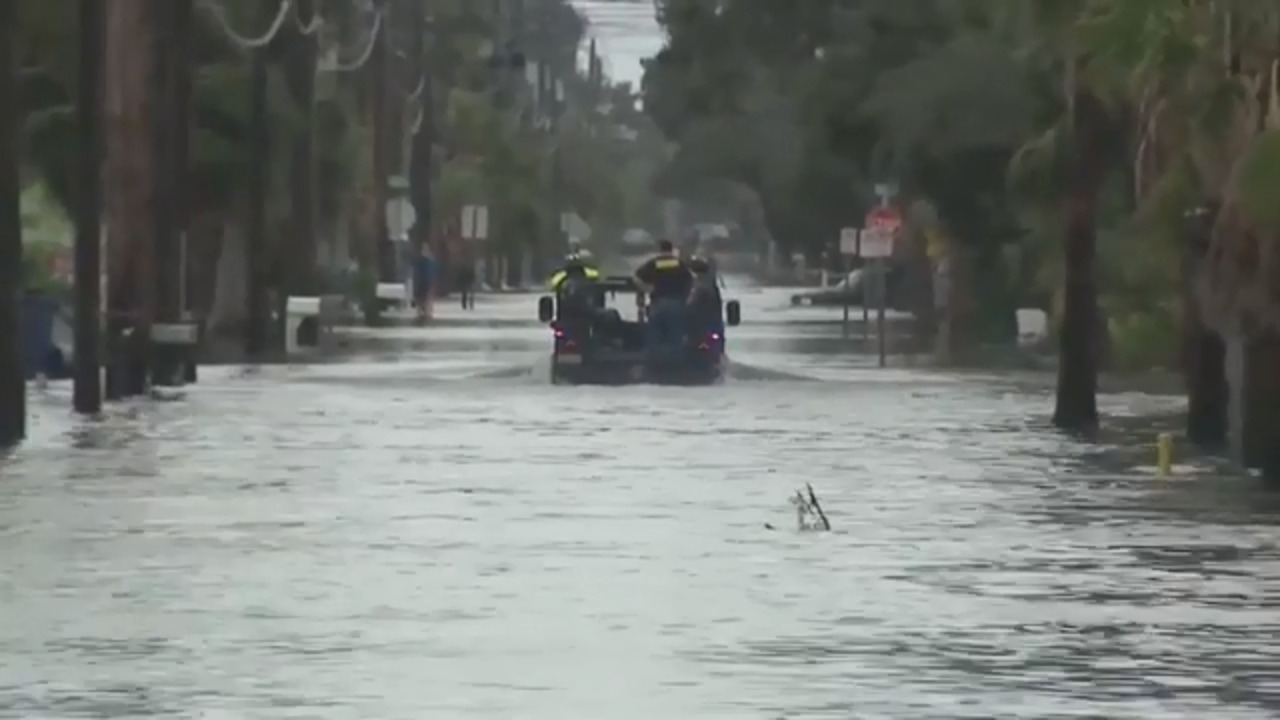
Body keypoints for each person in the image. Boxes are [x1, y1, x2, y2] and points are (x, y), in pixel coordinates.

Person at [634, 239, 693, 360]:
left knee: (653, 336)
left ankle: (654, 361)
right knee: (676, 335)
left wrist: (645, 288)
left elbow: (636, 277)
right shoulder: (680, 264)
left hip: (658, 305)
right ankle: (675, 363)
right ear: (671, 250)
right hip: (676, 304)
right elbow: (690, 282)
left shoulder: (653, 264)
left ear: (660, 250)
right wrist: (685, 298)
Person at [412, 245, 437, 321]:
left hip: (424, 281)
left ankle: (423, 312)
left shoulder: (422, 261)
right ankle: (426, 312)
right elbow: (433, 271)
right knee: (426, 298)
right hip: (426, 281)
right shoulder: (429, 261)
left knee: (422, 298)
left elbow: (417, 271)